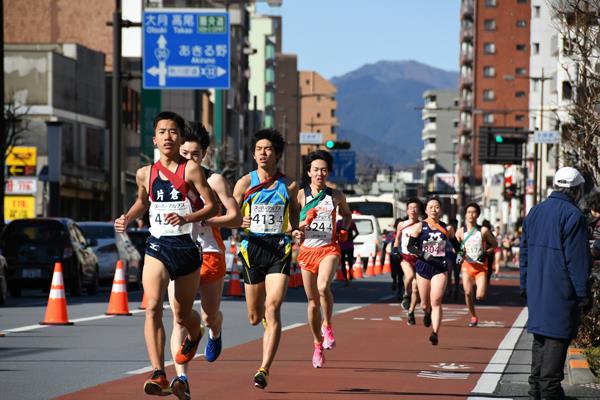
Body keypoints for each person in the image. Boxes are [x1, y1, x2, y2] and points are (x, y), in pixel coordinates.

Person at [114, 111, 218, 396]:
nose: (168, 136)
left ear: (181, 137)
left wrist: (188, 217)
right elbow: (142, 202)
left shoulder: (191, 170)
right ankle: (159, 373)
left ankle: (195, 334)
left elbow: (213, 207)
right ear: (154, 139)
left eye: (173, 131)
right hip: (158, 245)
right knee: (151, 307)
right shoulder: (145, 173)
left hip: (185, 247)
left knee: (183, 317)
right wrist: (126, 217)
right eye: (162, 132)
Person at [167, 124, 242, 399]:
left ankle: (214, 331)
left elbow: (235, 217)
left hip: (209, 252)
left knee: (209, 315)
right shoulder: (166, 179)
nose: (188, 159)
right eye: (183, 152)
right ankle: (182, 378)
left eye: (195, 154)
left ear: (205, 154)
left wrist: (204, 218)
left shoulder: (215, 181)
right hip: (177, 252)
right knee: (178, 318)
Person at [232, 128, 301, 389]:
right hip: (252, 248)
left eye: (268, 149)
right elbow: (230, 214)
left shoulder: (289, 185)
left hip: (278, 249)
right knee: (254, 316)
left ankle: (264, 369)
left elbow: (294, 214)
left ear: (278, 154)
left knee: (273, 308)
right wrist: (240, 220)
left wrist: (295, 229)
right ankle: (261, 318)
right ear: (253, 154)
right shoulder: (244, 183)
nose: (263, 153)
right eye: (259, 149)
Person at [520, 166, 592, 400]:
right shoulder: (573, 216)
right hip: (560, 289)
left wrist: (524, 284)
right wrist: (583, 294)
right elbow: (577, 260)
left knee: (540, 337)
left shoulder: (535, 211)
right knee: (556, 337)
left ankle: (536, 391)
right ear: (576, 190)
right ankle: (549, 391)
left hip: (536, 286)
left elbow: (524, 253)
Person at [296, 150, 353, 368]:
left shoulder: (336, 195)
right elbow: (292, 222)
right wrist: (298, 229)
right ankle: (317, 344)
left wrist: (344, 229)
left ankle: (327, 325)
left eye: (324, 170)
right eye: (316, 170)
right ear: (309, 172)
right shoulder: (301, 196)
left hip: (329, 248)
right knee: (311, 303)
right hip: (307, 251)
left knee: (322, 287)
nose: (320, 173)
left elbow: (346, 215)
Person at [407, 196, 459, 345]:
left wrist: (460, 257)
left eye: (436, 207)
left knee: (436, 300)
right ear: (426, 210)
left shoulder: (447, 228)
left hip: (440, 268)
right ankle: (427, 313)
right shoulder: (419, 226)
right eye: (430, 207)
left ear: (441, 210)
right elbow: (411, 247)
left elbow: (459, 248)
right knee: (424, 304)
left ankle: (435, 332)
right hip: (423, 266)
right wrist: (424, 255)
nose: (434, 210)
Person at [455, 203, 497, 327]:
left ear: (477, 215)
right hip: (467, 266)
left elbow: (494, 245)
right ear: (465, 215)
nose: (471, 214)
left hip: (481, 268)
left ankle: (476, 306)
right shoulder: (460, 231)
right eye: (468, 212)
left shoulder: (483, 230)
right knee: (468, 292)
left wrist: (486, 253)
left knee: (480, 295)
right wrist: (460, 253)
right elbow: (455, 248)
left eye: (474, 212)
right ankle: (473, 316)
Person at [392, 198, 422, 325]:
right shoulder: (402, 224)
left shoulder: (422, 225)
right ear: (407, 210)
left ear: (419, 210)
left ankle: (411, 312)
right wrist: (394, 249)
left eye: (415, 208)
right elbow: (397, 238)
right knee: (409, 275)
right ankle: (405, 295)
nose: (413, 210)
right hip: (405, 257)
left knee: (416, 289)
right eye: (411, 208)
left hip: (419, 258)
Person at [337, 217, 359, 285]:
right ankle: (347, 278)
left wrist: (351, 238)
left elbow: (357, 232)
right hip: (344, 245)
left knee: (347, 261)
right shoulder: (342, 222)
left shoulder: (349, 222)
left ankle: (349, 276)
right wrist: (350, 238)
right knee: (345, 262)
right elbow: (335, 232)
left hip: (347, 245)